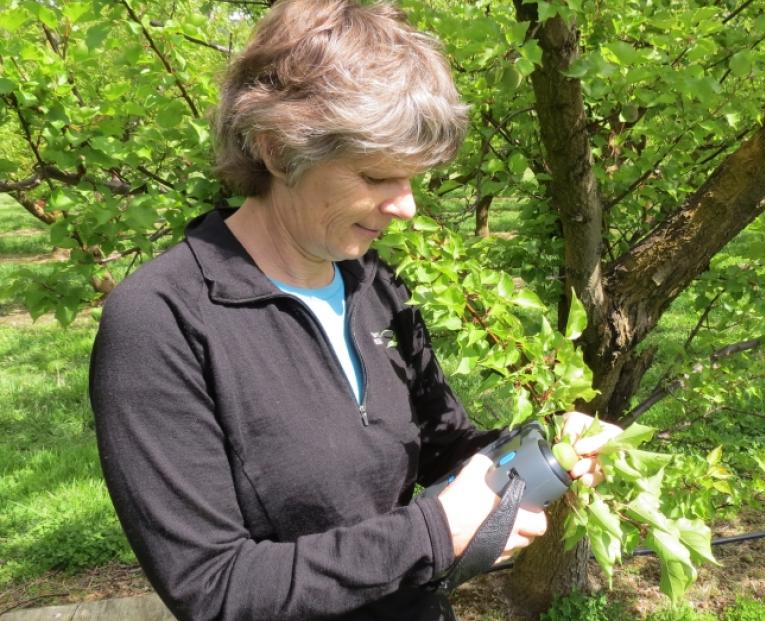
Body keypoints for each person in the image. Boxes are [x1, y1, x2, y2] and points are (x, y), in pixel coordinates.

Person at [89, 1, 619, 619]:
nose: (407, 207)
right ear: (278, 151)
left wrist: (545, 447)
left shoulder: (371, 283)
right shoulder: (161, 321)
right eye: (376, 176)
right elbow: (211, 587)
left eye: (415, 177)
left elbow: (444, 442)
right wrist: (431, 535)